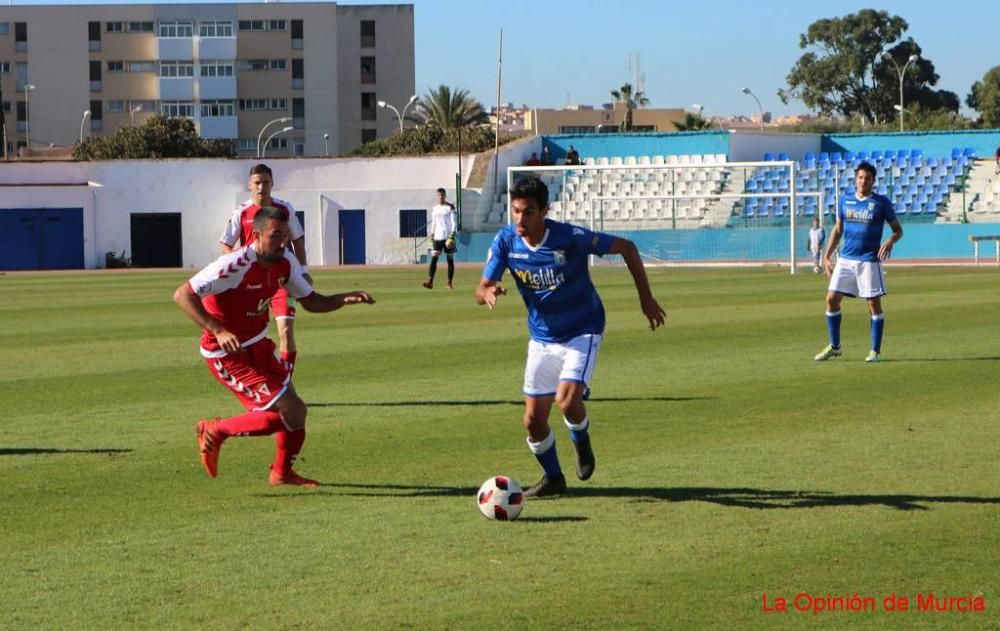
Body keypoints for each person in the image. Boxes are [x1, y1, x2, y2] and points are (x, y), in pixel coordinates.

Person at [476, 176, 666, 497]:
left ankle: (581, 440)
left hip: (583, 329)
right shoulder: (506, 241)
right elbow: (480, 289)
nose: (521, 219)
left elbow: (627, 248)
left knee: (566, 400)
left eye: (529, 212)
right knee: (532, 422)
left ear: (544, 211)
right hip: (541, 339)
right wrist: (488, 291)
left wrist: (645, 299)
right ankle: (553, 479)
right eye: (516, 211)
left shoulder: (570, 237)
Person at [174, 206, 375, 486]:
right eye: (276, 235)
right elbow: (183, 295)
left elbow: (311, 301)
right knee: (286, 413)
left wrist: (342, 298)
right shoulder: (233, 265)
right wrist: (218, 331)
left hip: (259, 346)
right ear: (256, 235)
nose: (282, 242)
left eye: (285, 236)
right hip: (227, 355)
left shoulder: (286, 262)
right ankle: (215, 430)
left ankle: (281, 473)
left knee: (295, 415)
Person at [220, 163, 307, 375]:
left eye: (265, 182)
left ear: (272, 183)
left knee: (286, 330)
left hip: (281, 282)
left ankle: (284, 385)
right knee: (250, 336)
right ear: (250, 185)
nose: (261, 187)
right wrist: (235, 272)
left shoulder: (285, 209)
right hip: (251, 285)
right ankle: (260, 380)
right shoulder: (241, 213)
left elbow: (298, 240)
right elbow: (226, 244)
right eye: (257, 183)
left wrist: (302, 273)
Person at [814, 162, 903, 364]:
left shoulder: (881, 203)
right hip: (846, 258)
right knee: (831, 299)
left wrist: (890, 240)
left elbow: (898, 230)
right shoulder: (845, 200)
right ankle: (835, 346)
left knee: (873, 303)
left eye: (868, 178)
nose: (863, 181)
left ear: (873, 181)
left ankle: (874, 351)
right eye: (861, 177)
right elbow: (838, 230)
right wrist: (827, 256)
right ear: (856, 179)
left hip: (869, 261)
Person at [423, 187, 457, 289]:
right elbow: (433, 223)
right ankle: (430, 281)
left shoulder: (449, 208)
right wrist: (432, 235)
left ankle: (449, 282)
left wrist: (452, 235)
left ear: (445, 196)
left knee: (449, 260)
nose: (441, 197)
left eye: (442, 195)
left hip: (448, 237)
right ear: (437, 197)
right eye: (439, 195)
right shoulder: (435, 208)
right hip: (437, 237)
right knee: (434, 259)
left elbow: (453, 222)